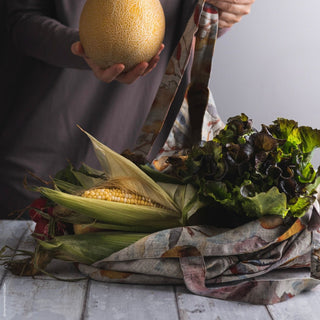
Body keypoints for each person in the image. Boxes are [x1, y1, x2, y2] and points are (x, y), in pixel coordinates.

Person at [0, 0, 255, 218]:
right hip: (42, 159)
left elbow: (194, 18)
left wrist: (223, 11)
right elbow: (20, 20)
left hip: (146, 170)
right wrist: (87, 45)